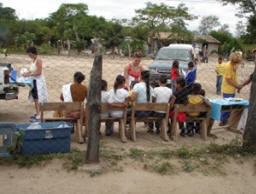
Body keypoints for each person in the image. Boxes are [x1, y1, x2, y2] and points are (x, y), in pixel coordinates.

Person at [23, 46, 47, 122]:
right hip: (34, 81)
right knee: (35, 98)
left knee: (37, 98)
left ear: (32, 53)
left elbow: (39, 72)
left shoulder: (38, 60)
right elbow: (31, 70)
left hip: (38, 81)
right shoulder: (33, 60)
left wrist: (30, 75)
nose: (29, 56)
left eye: (29, 54)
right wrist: (26, 73)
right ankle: (37, 113)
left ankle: (38, 115)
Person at [219, 52, 243, 126]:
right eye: (235, 62)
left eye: (237, 62)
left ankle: (227, 119)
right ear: (232, 60)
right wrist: (237, 86)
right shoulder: (228, 66)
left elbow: (235, 77)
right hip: (227, 89)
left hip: (232, 89)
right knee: (226, 105)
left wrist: (237, 86)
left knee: (231, 105)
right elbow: (228, 80)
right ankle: (222, 120)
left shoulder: (235, 65)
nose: (236, 63)